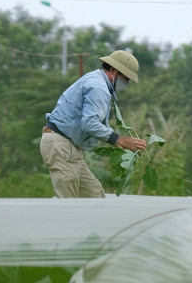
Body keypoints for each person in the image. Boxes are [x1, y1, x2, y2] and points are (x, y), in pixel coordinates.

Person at [41, 50, 148, 198]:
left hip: (69, 147)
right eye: (126, 78)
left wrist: (117, 142)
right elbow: (90, 123)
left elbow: (92, 120)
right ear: (113, 70)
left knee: (95, 196)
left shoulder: (96, 80)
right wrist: (118, 139)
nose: (126, 83)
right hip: (61, 145)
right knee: (67, 204)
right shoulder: (99, 88)